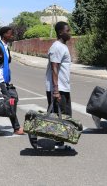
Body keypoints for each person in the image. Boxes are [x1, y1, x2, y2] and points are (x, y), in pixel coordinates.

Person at [43, 21, 73, 150]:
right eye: (68, 30)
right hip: (58, 88)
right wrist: (56, 90)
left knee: (64, 115)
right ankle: (58, 144)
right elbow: (54, 68)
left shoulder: (62, 46)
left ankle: (59, 142)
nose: (70, 32)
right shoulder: (57, 47)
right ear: (60, 32)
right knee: (60, 116)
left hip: (62, 87)